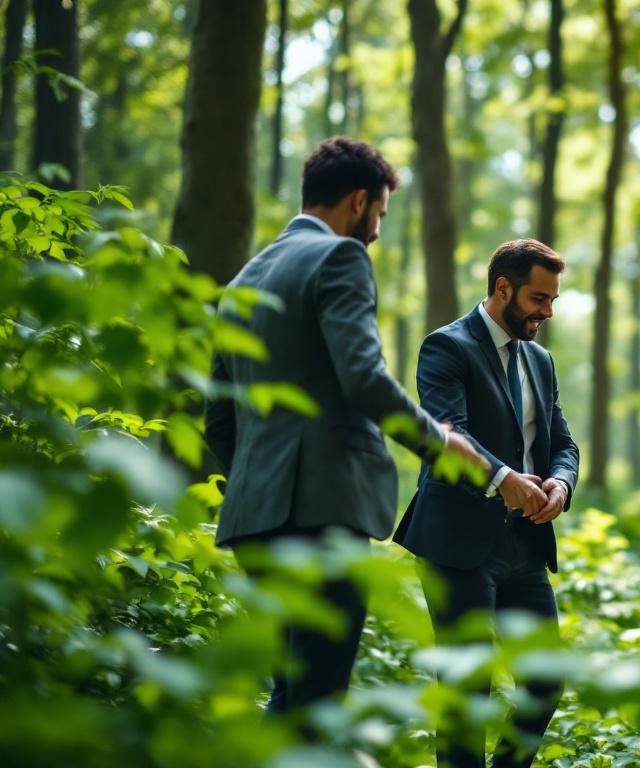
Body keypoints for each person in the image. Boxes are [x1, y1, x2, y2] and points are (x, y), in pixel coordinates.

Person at [204, 137, 481, 718]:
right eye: (379, 213)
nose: (376, 230)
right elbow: (364, 377)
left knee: (289, 691)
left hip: (254, 518)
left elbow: (219, 419)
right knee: (318, 699)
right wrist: (440, 441)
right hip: (323, 512)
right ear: (358, 201)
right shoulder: (340, 258)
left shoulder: (241, 283)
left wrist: (261, 481)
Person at [393, 238, 579, 768]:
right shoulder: (446, 347)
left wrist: (561, 483)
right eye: (539, 299)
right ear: (503, 288)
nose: (547, 312)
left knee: (544, 682)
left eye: (553, 301)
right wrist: (502, 478)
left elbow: (564, 443)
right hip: (457, 543)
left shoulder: (541, 360)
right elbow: (446, 434)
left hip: (525, 542)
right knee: (466, 691)